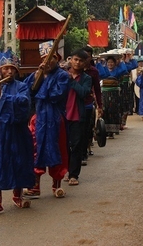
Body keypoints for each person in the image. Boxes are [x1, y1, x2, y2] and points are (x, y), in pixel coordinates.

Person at [0, 50, 35, 215]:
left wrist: (2, 95)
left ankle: (18, 196)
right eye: (5, 68)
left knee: (19, 161)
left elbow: (23, 104)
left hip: (17, 131)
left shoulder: (22, 86)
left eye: (12, 69)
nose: (9, 72)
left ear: (16, 70)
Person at [23, 42, 70, 199]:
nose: (47, 62)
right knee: (35, 150)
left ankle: (56, 184)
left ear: (56, 59)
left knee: (57, 149)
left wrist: (41, 83)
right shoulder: (37, 74)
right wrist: (37, 78)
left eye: (51, 59)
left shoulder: (63, 76)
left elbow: (56, 95)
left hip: (55, 118)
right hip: (38, 118)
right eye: (44, 59)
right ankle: (34, 185)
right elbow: (26, 92)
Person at [65, 49, 92, 186]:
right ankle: (66, 170)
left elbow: (84, 93)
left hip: (77, 115)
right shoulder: (62, 75)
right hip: (63, 115)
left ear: (84, 63)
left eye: (81, 61)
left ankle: (74, 174)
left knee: (76, 146)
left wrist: (72, 82)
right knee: (64, 145)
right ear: (70, 59)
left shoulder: (87, 78)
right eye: (75, 59)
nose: (77, 62)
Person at [81, 46, 102, 164]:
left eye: (87, 57)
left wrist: (100, 105)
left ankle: (84, 152)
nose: (83, 59)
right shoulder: (72, 70)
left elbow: (97, 90)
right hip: (74, 105)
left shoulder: (94, 71)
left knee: (87, 129)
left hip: (88, 103)